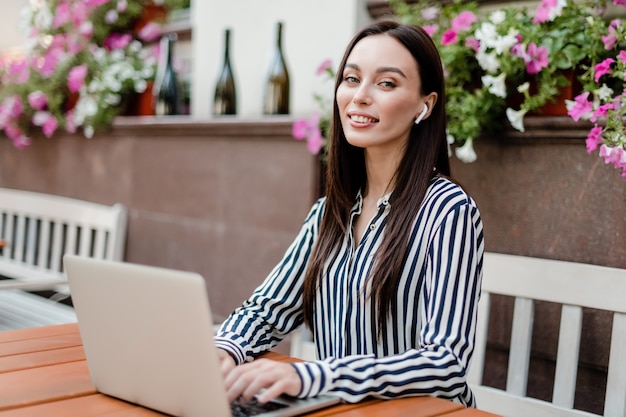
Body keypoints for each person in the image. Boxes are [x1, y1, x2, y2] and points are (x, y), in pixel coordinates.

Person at [214, 20, 484, 408]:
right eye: (351, 78)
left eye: (386, 83)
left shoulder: (448, 211)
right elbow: (267, 310)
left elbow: (445, 364)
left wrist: (312, 375)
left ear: (425, 105)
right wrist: (226, 349)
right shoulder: (330, 212)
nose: (359, 96)